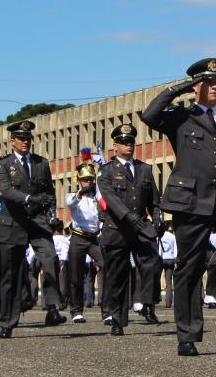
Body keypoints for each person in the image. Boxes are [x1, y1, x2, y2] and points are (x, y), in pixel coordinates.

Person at [140, 58, 216, 356]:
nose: (214, 87)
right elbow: (149, 114)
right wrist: (183, 86)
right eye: (208, 82)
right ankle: (187, 334)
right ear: (197, 85)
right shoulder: (179, 118)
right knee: (191, 268)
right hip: (191, 202)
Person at [0, 119, 65, 338]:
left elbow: (49, 192)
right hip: (13, 222)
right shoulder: (3, 165)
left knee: (50, 259)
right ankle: (7, 321)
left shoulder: (41, 163)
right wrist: (30, 197)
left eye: (28, 139)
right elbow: (5, 191)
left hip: (37, 221)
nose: (25, 142)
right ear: (12, 141)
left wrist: (52, 212)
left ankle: (52, 307)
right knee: (10, 275)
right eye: (21, 139)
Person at [96, 123, 162, 335]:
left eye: (131, 142)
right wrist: (128, 217)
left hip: (142, 227)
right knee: (117, 275)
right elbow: (111, 199)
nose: (129, 145)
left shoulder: (145, 169)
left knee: (152, 264)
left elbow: (154, 199)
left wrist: (157, 217)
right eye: (124, 142)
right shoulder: (106, 171)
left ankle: (148, 304)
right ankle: (117, 317)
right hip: (118, 228)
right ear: (115, 146)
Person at [65, 162, 104, 323]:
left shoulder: (97, 197)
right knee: (76, 275)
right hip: (78, 237)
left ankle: (107, 310)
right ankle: (76, 311)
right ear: (79, 181)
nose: (89, 182)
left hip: (94, 239)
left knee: (106, 265)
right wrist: (80, 193)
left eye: (91, 179)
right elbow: (70, 202)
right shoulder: (74, 196)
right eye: (85, 179)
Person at [159, 222, 177, 309]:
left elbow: (158, 249)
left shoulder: (160, 236)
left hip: (161, 258)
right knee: (169, 282)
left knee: (156, 278)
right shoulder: (172, 236)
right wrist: (175, 261)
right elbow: (175, 249)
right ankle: (168, 302)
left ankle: (157, 298)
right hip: (170, 259)